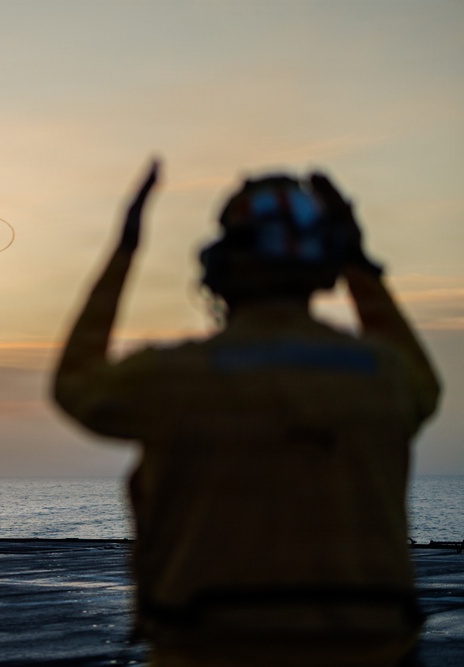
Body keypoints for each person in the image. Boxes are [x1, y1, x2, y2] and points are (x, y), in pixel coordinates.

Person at [53, 160, 441, 666]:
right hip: (376, 648)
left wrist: (125, 250)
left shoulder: (173, 377)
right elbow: (424, 382)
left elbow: (75, 385)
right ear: (325, 263)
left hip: (209, 647)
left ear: (218, 266)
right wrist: (361, 265)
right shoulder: (387, 377)